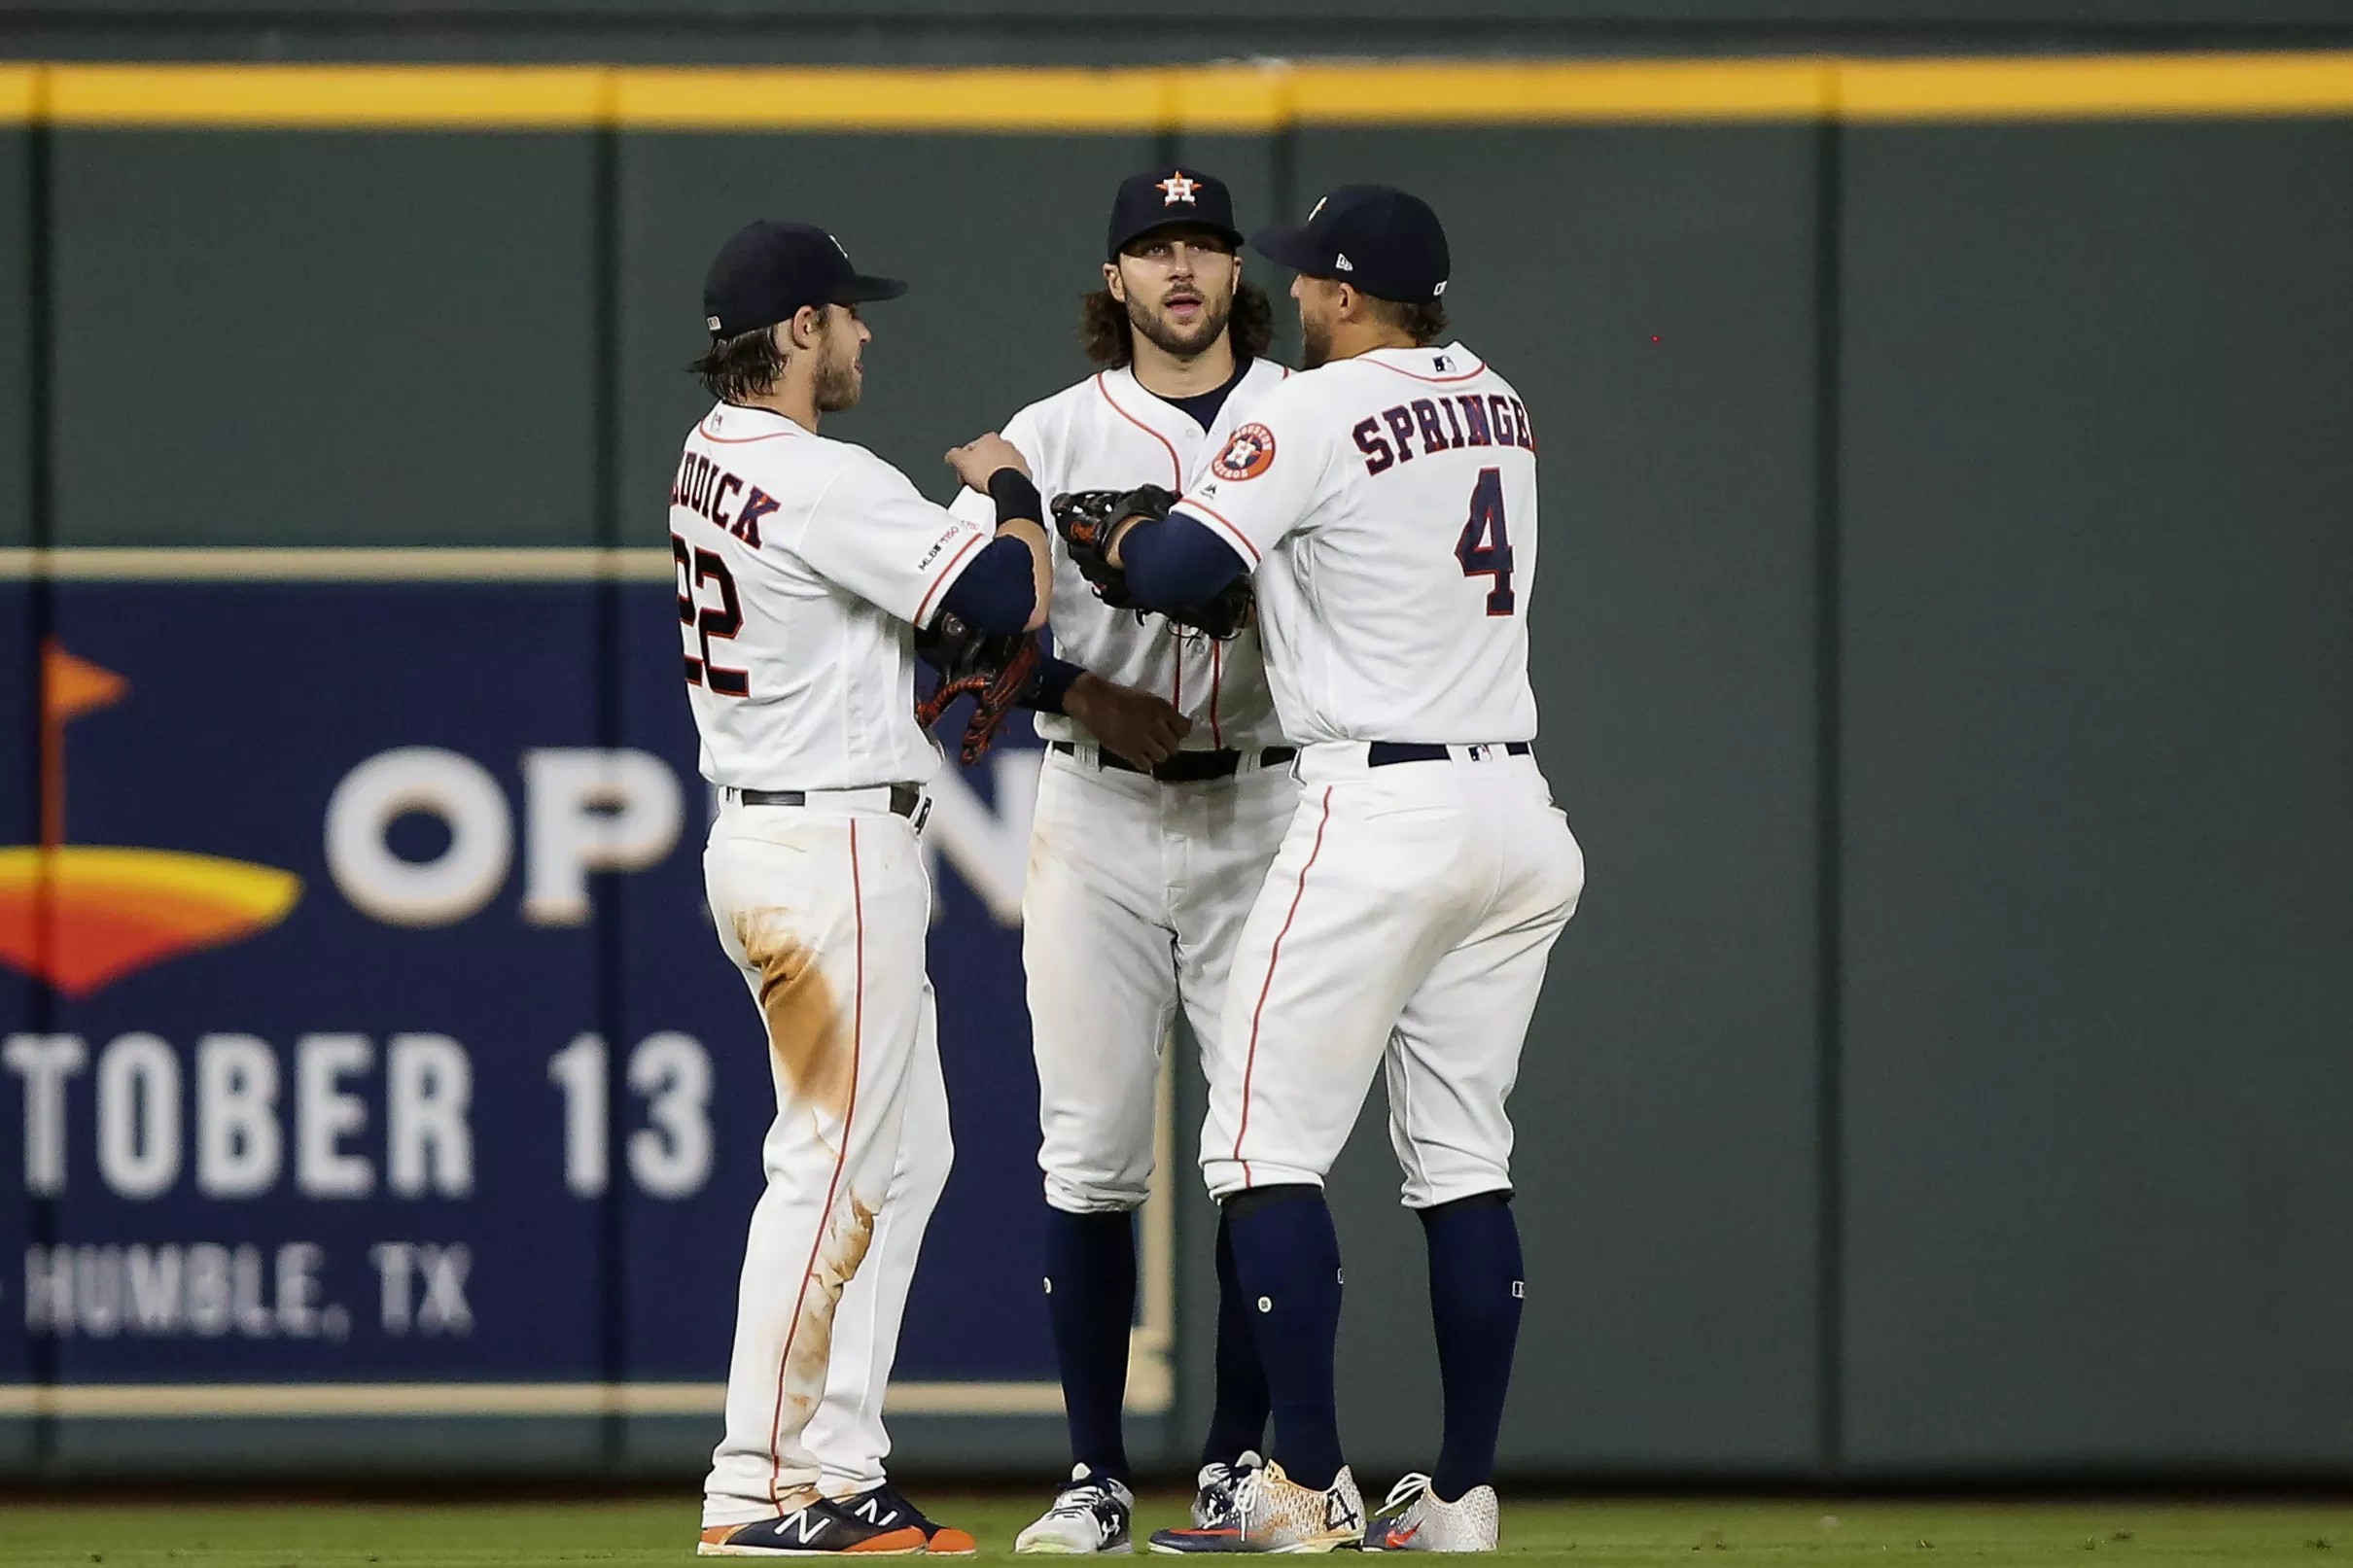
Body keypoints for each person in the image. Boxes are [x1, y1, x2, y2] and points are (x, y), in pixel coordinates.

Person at [1062, 186, 1586, 1554]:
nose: (1290, 292)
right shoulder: (1500, 399)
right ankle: (1462, 1495)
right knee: (1463, 1159)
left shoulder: (1310, 407)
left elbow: (1178, 566)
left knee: (1256, 1145)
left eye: (1308, 277)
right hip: (1515, 807)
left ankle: (1301, 1478)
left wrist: (1116, 538)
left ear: (1349, 296)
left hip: (1381, 803)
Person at [676, 218, 1051, 1557]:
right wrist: (1011, 489)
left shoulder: (713, 452)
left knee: (905, 1152)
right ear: (799, 330)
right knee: (827, 1169)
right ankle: (758, 1484)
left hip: (782, 836)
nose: (862, 331)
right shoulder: (817, 475)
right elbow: (1004, 595)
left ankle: (838, 1462)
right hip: (827, 849)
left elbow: (879, 583)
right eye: (845, 312)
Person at [944, 167, 1298, 1556]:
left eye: (1204, 243)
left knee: (1262, 1151)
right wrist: (1079, 693)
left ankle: (1235, 1469)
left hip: (1267, 800)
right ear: (1115, 281)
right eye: (1155, 248)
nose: (1182, 267)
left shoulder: (1304, 415)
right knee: (1089, 1155)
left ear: (1237, 270)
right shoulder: (1049, 435)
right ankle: (1094, 1474)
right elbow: (957, 623)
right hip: (1096, 812)